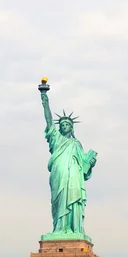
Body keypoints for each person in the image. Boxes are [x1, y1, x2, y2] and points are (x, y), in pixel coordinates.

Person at [41, 91, 97, 236]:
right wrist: (44, 99)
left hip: (74, 176)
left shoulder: (76, 144)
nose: (65, 125)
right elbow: (48, 120)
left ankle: (74, 229)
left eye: (68, 124)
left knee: (73, 199)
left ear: (72, 128)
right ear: (59, 127)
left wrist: (90, 162)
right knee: (58, 200)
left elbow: (84, 168)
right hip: (59, 172)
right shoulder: (56, 138)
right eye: (63, 124)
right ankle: (59, 228)